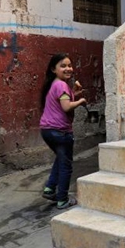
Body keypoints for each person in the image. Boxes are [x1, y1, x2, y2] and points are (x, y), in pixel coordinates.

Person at [38, 53, 87, 209]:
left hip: (47, 130)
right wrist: (81, 101)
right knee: (66, 165)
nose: (68, 69)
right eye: (63, 66)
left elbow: (63, 100)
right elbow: (66, 107)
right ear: (54, 69)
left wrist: (74, 93)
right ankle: (62, 199)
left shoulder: (55, 84)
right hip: (60, 132)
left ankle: (50, 188)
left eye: (69, 65)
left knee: (61, 158)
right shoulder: (61, 85)